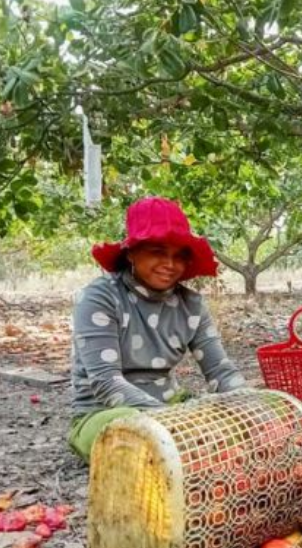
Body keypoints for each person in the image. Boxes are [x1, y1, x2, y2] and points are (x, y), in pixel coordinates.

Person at [67, 197, 246, 462]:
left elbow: (220, 372)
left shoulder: (191, 305)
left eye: (179, 256)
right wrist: (174, 426)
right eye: (157, 252)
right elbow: (106, 382)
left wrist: (252, 406)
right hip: (105, 414)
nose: (170, 264)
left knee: (236, 432)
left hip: (171, 408)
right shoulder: (99, 298)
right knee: (136, 441)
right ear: (131, 252)